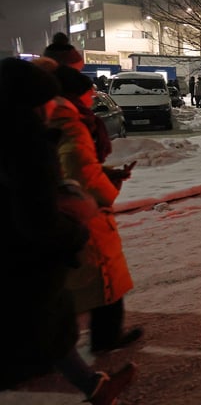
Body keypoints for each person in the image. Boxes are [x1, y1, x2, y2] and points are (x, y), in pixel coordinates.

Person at [0, 57, 136, 404]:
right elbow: (38, 214)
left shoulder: (24, 137)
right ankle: (93, 385)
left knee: (45, 322)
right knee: (47, 321)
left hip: (19, 251)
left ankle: (92, 384)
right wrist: (74, 230)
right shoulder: (30, 145)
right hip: (27, 254)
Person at [50, 65, 142, 354]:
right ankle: (103, 341)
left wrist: (106, 174)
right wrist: (109, 188)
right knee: (104, 278)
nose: (92, 100)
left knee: (68, 285)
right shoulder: (71, 125)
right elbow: (83, 174)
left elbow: (78, 167)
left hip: (65, 209)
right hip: (83, 212)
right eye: (88, 95)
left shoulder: (53, 122)